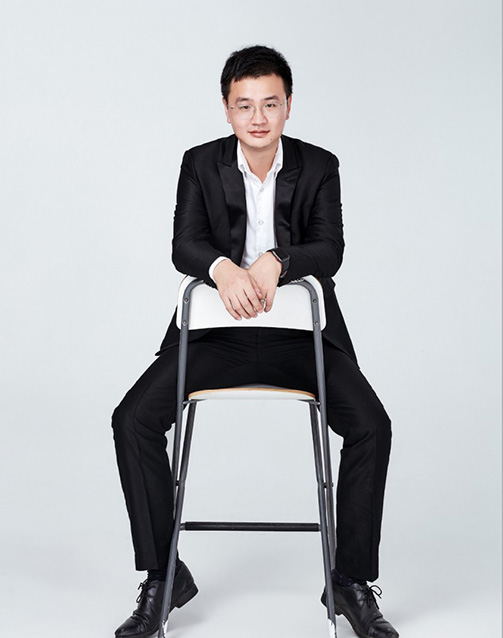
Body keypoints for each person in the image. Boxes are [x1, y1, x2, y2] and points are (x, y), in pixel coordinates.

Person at [112, 45, 399, 638]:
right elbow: (183, 244)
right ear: (227, 109)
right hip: (216, 337)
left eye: (270, 103)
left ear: (289, 106)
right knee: (133, 419)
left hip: (301, 340)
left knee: (373, 425)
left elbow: (330, 248)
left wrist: (277, 260)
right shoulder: (200, 163)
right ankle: (164, 574)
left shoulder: (319, 166)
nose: (258, 117)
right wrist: (222, 268)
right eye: (245, 105)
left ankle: (349, 581)